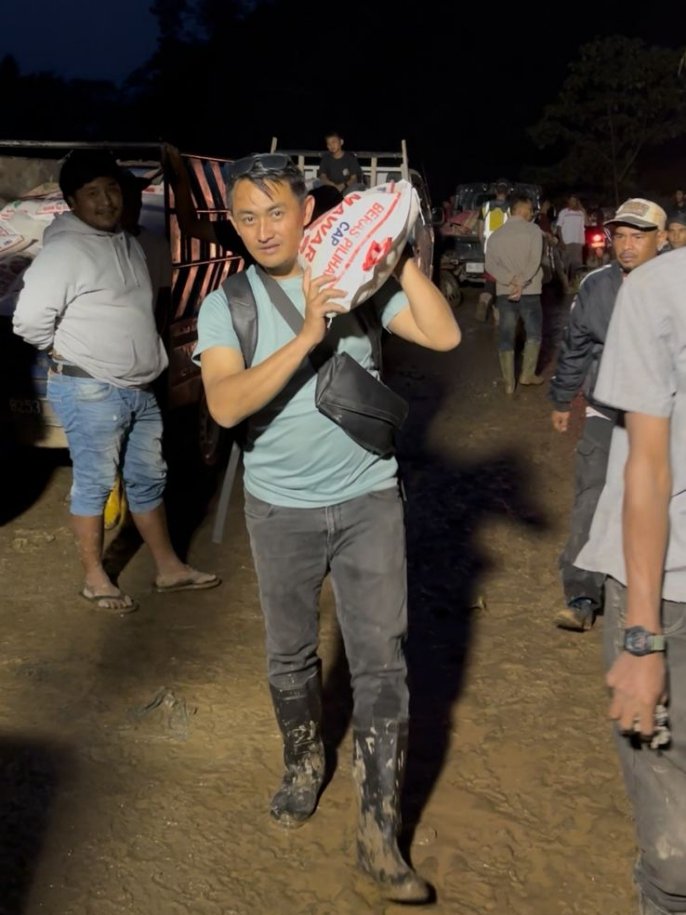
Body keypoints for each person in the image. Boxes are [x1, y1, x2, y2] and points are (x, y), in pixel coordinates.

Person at [193, 153, 460, 902]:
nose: (263, 230)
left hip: (369, 497)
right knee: (291, 654)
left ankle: (380, 833)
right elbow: (225, 403)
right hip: (279, 509)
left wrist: (395, 260)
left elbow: (443, 337)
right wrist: (309, 332)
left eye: (276, 212)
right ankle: (304, 760)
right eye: (247, 217)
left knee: (382, 663)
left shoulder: (357, 283)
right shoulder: (229, 303)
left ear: (307, 211)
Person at [12, 149, 220, 614]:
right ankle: (95, 579)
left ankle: (169, 568)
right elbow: (28, 321)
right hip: (91, 389)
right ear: (72, 201)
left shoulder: (126, 241)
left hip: (139, 389)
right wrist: (68, 352)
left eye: (111, 190)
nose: (106, 201)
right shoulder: (66, 251)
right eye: (93, 193)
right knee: (95, 482)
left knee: (148, 478)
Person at [574, 246, 686, 915]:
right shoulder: (660, 291)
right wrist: (641, 640)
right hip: (667, 593)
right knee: (677, 859)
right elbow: (646, 467)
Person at [549, 198, 667, 631]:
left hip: (663, 420)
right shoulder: (596, 287)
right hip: (605, 413)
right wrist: (563, 399)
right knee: (591, 501)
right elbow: (575, 346)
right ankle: (581, 594)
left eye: (638, 236)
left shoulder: (678, 287)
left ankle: (660, 598)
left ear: (662, 239)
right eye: (620, 236)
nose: (627, 246)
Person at [484, 194, 544, 394]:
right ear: (523, 210)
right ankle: (527, 375)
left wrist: (511, 280)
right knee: (533, 332)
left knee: (506, 334)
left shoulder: (495, 236)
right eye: (530, 209)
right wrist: (522, 281)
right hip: (530, 290)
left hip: (505, 291)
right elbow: (535, 261)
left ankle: (509, 383)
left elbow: (490, 266)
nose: (531, 213)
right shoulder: (533, 231)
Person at [476, 178, 510, 321]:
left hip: (489, 248)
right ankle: (498, 314)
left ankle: (484, 299)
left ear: (496, 191)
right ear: (507, 192)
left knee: (490, 280)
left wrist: (483, 245)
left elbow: (480, 230)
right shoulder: (510, 208)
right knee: (502, 282)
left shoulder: (485, 206)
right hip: (504, 249)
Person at [556, 193, 587, 289]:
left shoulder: (581, 213)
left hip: (578, 242)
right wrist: (561, 241)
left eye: (575, 201)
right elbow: (558, 227)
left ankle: (575, 285)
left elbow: (587, 223)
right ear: (568, 201)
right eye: (571, 200)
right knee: (565, 266)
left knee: (577, 266)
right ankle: (565, 286)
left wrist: (583, 210)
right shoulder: (563, 212)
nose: (573, 202)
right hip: (566, 242)